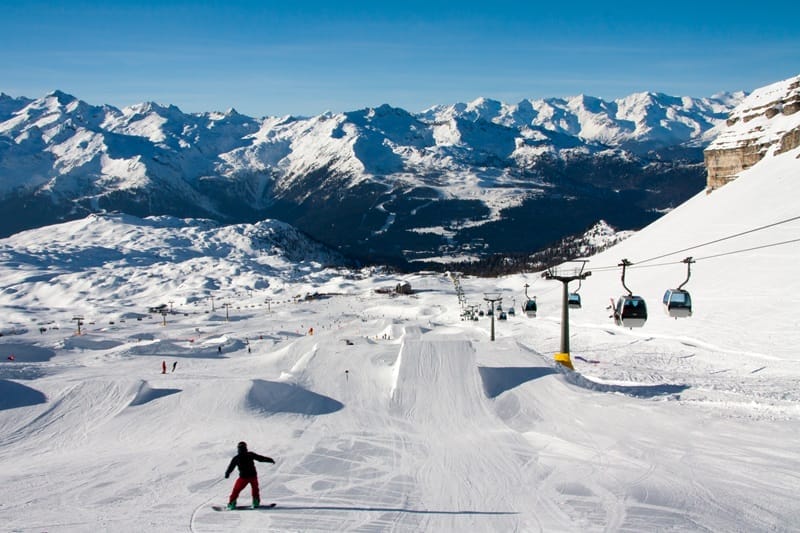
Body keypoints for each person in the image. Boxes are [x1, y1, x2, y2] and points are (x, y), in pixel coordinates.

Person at [224, 441, 275, 509]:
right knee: (255, 489)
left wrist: (227, 473)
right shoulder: (250, 454)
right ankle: (256, 503)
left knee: (236, 490)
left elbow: (231, 467)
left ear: (238, 448)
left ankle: (232, 504)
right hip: (253, 476)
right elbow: (260, 458)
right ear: (246, 447)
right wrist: (270, 460)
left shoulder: (236, 458)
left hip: (243, 478)